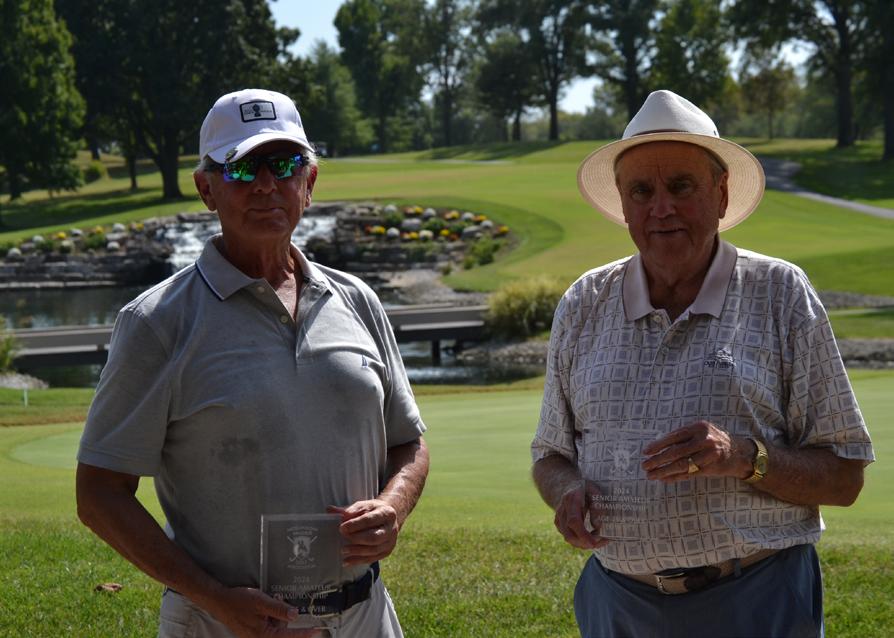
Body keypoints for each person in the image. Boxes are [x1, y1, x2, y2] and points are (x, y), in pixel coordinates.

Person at [76, 88, 429, 638]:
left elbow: (409, 442)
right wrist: (211, 597)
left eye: (284, 165)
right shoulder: (156, 322)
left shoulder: (357, 300)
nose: (266, 184)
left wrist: (394, 506)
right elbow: (99, 493)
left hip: (364, 616)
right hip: (219, 623)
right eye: (241, 168)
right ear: (206, 189)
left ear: (309, 183)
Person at [531, 90, 874, 638]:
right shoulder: (584, 301)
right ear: (623, 203)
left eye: (681, 186)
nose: (660, 207)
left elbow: (844, 476)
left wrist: (743, 457)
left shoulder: (780, 293)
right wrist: (567, 491)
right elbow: (550, 456)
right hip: (617, 602)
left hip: (758, 598)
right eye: (642, 191)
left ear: (721, 194)